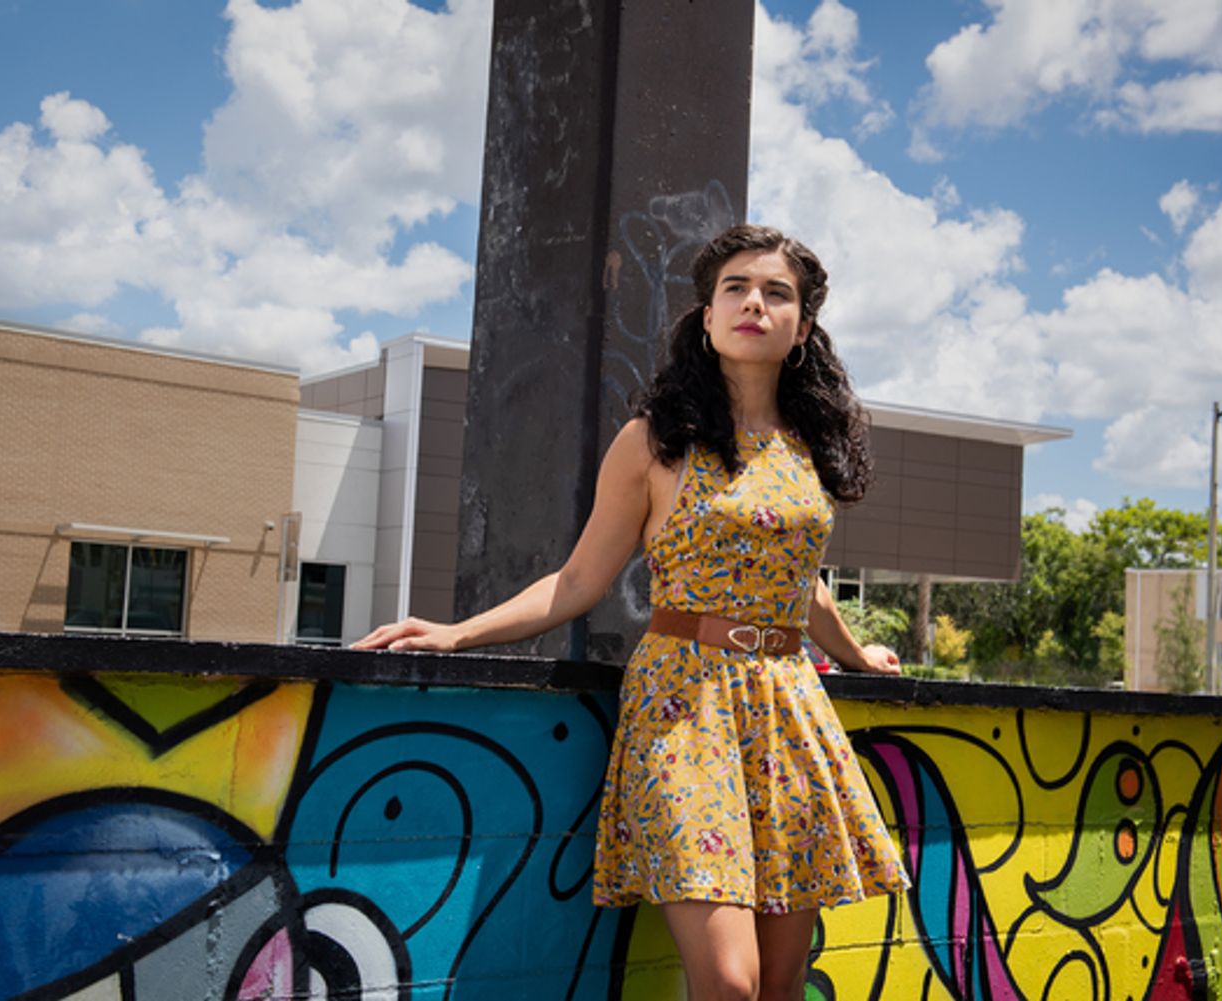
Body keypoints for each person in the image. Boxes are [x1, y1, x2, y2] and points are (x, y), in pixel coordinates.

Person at [354, 223, 910, 1001]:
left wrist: (855, 655)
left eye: (776, 293)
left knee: (783, 982)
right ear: (708, 318)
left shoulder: (806, 450)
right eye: (736, 289)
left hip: (789, 707)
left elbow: (803, 583)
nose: (754, 303)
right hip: (686, 707)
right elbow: (578, 579)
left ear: (802, 328)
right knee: (732, 982)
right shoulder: (655, 442)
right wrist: (455, 632)